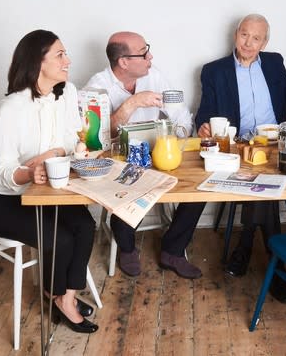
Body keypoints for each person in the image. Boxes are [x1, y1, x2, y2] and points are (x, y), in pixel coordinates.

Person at [0, 30, 98, 334]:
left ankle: (64, 297)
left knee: (85, 225)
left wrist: (53, 154)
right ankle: (60, 300)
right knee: (61, 238)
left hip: (42, 189)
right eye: (60, 55)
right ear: (37, 62)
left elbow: (69, 139)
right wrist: (29, 172)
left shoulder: (67, 92)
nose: (68, 60)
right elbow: (4, 169)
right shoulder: (9, 109)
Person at [195, 13, 286, 303]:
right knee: (263, 185)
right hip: (240, 147)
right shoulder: (214, 71)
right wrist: (204, 126)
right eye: (244, 34)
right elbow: (204, 114)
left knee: (264, 183)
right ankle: (275, 264)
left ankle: (245, 247)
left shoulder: (274, 62)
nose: (249, 42)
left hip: (276, 143)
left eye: (256, 37)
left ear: (264, 42)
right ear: (235, 35)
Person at [85, 31, 202, 279]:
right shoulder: (96, 88)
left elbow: (181, 116)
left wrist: (177, 139)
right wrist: (132, 103)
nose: (151, 56)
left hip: (158, 154)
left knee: (199, 187)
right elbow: (93, 138)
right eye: (143, 52)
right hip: (118, 162)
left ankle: (173, 249)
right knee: (130, 183)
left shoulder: (154, 76)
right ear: (123, 62)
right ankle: (126, 246)